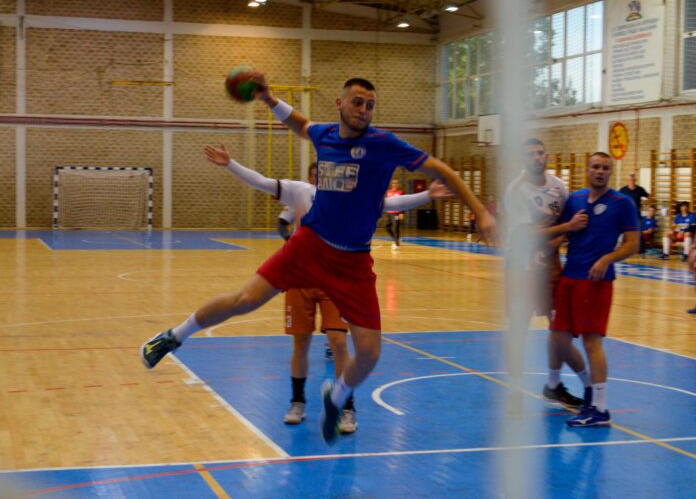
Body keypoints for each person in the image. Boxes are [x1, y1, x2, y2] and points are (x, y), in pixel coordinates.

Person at [141, 73, 496, 444]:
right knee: (245, 299)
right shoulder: (325, 135)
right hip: (310, 245)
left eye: (370, 105)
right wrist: (268, 99)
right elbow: (300, 123)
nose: (364, 110)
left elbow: (443, 170)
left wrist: (479, 213)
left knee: (370, 353)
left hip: (354, 262)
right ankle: (173, 336)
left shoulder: (383, 144)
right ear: (340, 103)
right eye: (357, 102)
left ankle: (337, 398)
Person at [204, 146, 450, 433]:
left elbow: (387, 203)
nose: (321, 178)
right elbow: (265, 189)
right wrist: (231, 164)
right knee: (301, 344)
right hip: (301, 278)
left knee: (338, 341)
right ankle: (297, 402)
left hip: (334, 279)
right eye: (317, 174)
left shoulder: (349, 197)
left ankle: (347, 407)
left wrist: (426, 195)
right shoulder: (300, 194)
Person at [547, 152, 639, 427]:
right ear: (587, 169)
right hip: (569, 277)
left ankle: (599, 408)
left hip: (596, 281)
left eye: (605, 168)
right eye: (596, 167)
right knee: (559, 338)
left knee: (591, 341)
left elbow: (633, 245)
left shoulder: (622, 203)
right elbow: (562, 234)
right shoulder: (575, 199)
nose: (600, 171)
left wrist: (606, 259)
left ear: (611, 172)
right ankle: (588, 388)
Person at [503, 138, 589, 415]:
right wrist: (564, 229)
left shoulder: (559, 187)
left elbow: (566, 228)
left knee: (560, 331)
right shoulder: (515, 191)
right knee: (518, 330)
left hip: (549, 267)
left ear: (547, 155)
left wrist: (556, 240)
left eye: (540, 153)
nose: (537, 158)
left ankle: (560, 385)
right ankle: (515, 392)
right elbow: (526, 235)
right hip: (520, 268)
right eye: (530, 154)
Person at [384, 178, 404, 250]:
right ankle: (395, 238)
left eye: (396, 183)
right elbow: (385, 201)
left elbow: (403, 203)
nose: (395, 184)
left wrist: (401, 212)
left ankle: (397, 244)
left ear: (398, 184)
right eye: (394, 183)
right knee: (386, 227)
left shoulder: (400, 192)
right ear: (392, 184)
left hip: (397, 213)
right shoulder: (388, 192)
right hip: (389, 213)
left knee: (396, 227)